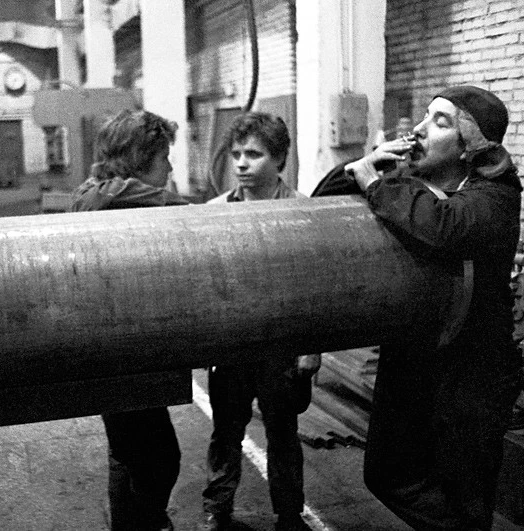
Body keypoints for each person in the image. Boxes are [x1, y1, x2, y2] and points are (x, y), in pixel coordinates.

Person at [346, 85, 523, 530]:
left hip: (471, 371)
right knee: (385, 474)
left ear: (470, 145)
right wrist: (365, 166)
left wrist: (377, 183)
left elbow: (445, 226)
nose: (420, 130)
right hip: (415, 356)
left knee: (464, 496)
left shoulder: (497, 193)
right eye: (425, 117)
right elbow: (326, 197)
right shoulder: (411, 184)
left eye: (440, 122)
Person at [201, 112, 321, 531]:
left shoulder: (302, 212)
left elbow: (315, 287)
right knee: (225, 433)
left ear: (280, 159)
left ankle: (288, 513)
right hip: (232, 346)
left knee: (282, 433)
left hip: (281, 347)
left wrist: (311, 348)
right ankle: (218, 507)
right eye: (236, 154)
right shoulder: (214, 213)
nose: (241, 163)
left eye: (253, 154)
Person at [70, 109, 188, 531]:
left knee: (128, 454)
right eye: (164, 158)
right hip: (121, 354)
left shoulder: (100, 195)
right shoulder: (113, 199)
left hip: (123, 351)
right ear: (140, 161)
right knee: (160, 459)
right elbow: (176, 208)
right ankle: (145, 520)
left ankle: (134, 521)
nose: (170, 168)